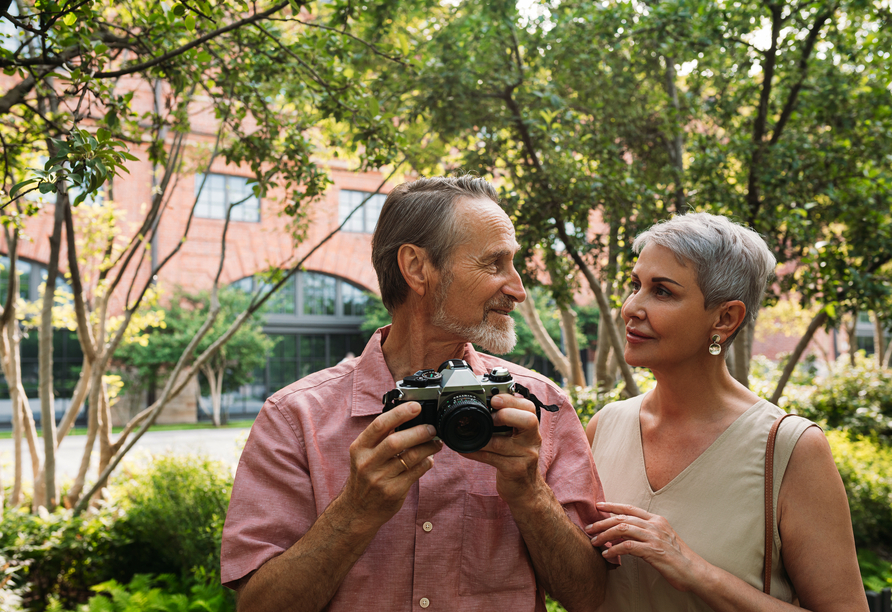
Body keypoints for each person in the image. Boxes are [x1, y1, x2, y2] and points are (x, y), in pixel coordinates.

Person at [221, 176, 608, 612]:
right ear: (417, 268)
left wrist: (530, 493)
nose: (518, 288)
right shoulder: (294, 418)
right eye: (494, 264)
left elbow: (591, 597)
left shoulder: (539, 406)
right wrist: (354, 512)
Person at [584, 212, 867, 611]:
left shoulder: (790, 448)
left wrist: (694, 569)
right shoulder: (604, 426)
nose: (631, 307)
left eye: (662, 292)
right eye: (635, 286)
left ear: (725, 318)